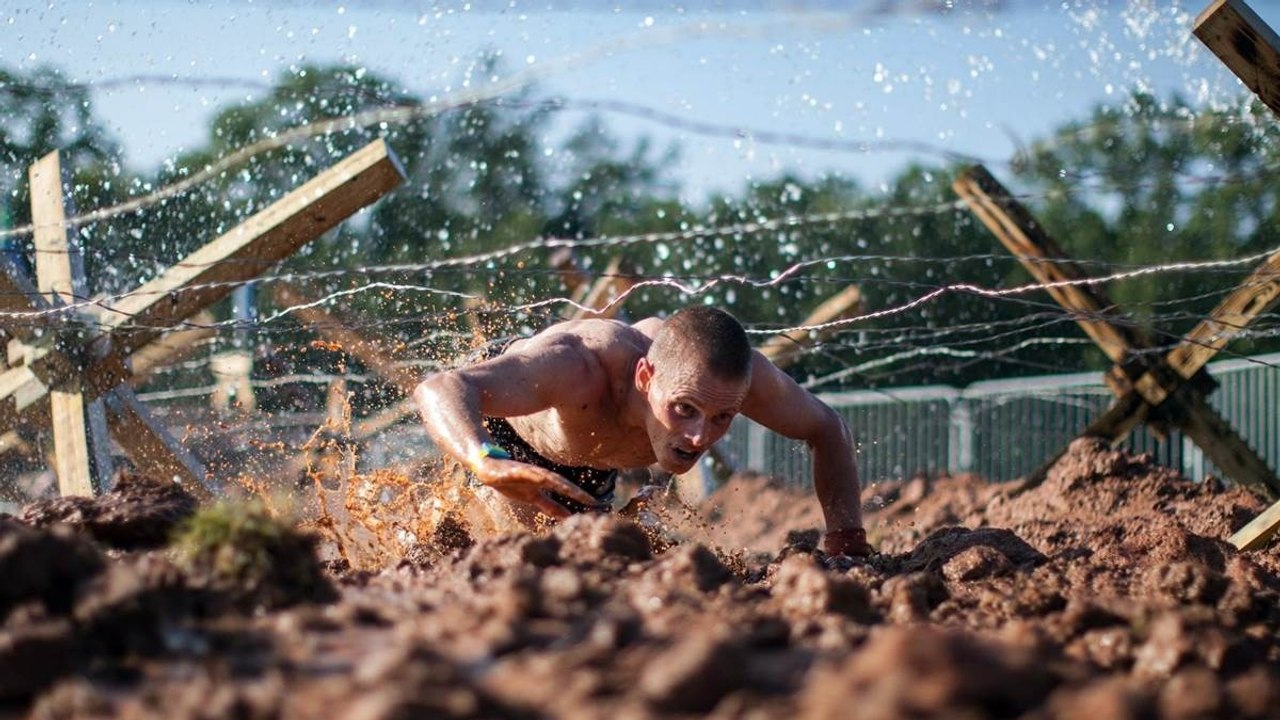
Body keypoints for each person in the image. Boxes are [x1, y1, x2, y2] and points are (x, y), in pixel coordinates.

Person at [413, 305, 869, 557]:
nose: (699, 437)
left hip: (588, 464)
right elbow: (440, 388)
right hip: (502, 435)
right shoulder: (580, 366)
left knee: (600, 563)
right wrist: (487, 460)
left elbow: (829, 429)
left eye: (722, 418)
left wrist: (846, 543)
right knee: (499, 558)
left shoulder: (734, 381)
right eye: (684, 409)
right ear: (645, 378)